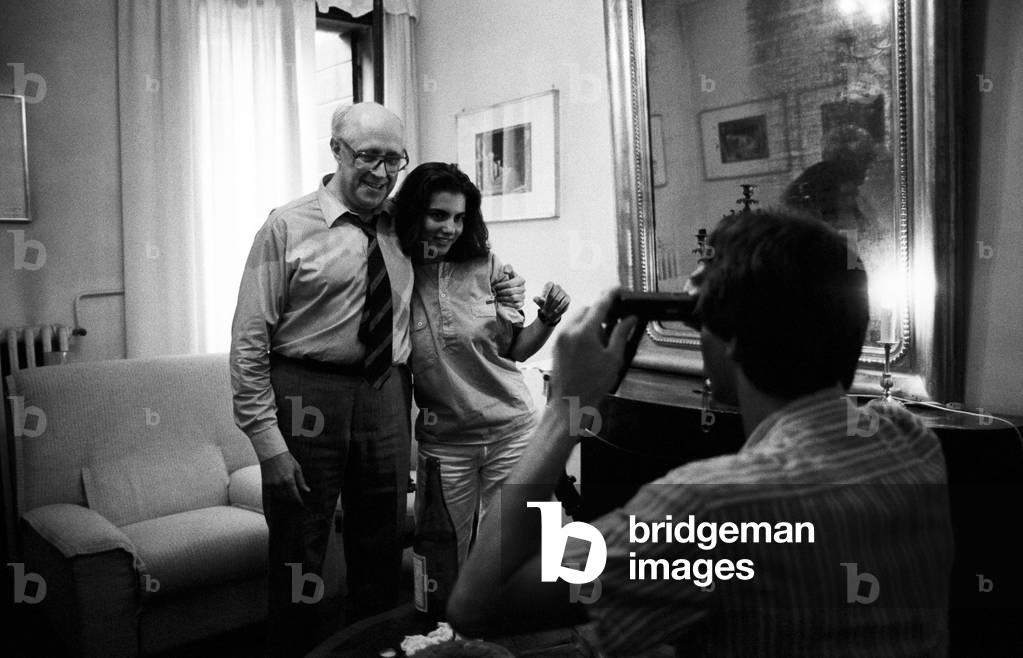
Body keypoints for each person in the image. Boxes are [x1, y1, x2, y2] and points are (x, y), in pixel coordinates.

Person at [448, 209, 954, 656]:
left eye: (700, 315)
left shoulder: (710, 510)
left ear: (731, 339)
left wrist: (565, 410)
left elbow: (475, 604)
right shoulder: (908, 439)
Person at [229, 103, 525, 657]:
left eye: (394, 159)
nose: (381, 172)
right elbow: (248, 342)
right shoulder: (285, 226)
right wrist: (267, 443)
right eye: (369, 156)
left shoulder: (402, 225)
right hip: (305, 393)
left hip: (387, 393)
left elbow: (461, 259)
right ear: (337, 150)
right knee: (300, 549)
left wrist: (507, 289)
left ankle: (374, 651)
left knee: (382, 547)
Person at [392, 162, 570, 565]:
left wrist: (548, 319)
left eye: (459, 217)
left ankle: (498, 629)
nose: (451, 228)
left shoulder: (488, 266)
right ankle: (443, 630)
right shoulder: (395, 269)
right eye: (438, 214)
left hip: (512, 431)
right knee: (440, 560)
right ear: (414, 213)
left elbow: (514, 352)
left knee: (510, 557)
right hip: (445, 443)